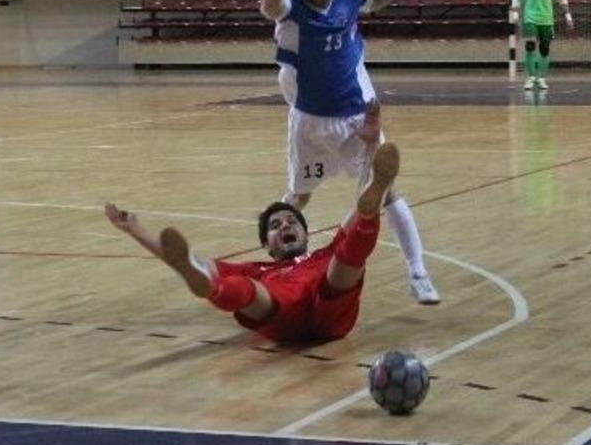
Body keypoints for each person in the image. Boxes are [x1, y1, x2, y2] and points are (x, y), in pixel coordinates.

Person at [259, 0, 439, 304]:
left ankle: (418, 272)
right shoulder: (291, 1)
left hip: (358, 116)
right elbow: (269, 7)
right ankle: (277, 265)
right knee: (298, 197)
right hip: (309, 122)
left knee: (387, 191)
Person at [106, 140, 401, 343]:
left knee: (346, 256)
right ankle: (208, 285)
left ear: (306, 234)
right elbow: (191, 259)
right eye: (275, 226)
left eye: (291, 221)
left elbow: (357, 215)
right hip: (284, 313)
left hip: (331, 305)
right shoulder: (257, 271)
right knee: (246, 289)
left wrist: (375, 157)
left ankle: (378, 190)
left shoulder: (324, 254)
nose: (285, 224)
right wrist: (136, 230)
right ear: (267, 246)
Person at [514, 0, 573, 91]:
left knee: (545, 49)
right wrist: (515, 16)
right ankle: (530, 78)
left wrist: (568, 16)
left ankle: (541, 79)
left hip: (547, 19)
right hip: (530, 17)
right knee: (530, 46)